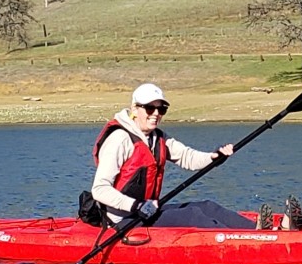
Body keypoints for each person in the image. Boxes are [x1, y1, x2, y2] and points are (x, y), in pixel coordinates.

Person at [85, 82, 258, 230]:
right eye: (150, 108)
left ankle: (259, 231)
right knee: (192, 216)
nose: (156, 114)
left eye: (161, 109)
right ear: (135, 109)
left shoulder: (158, 138)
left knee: (208, 207)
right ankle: (243, 241)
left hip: (146, 212)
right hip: (122, 220)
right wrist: (136, 205)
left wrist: (214, 157)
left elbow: (187, 157)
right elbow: (99, 190)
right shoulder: (119, 139)